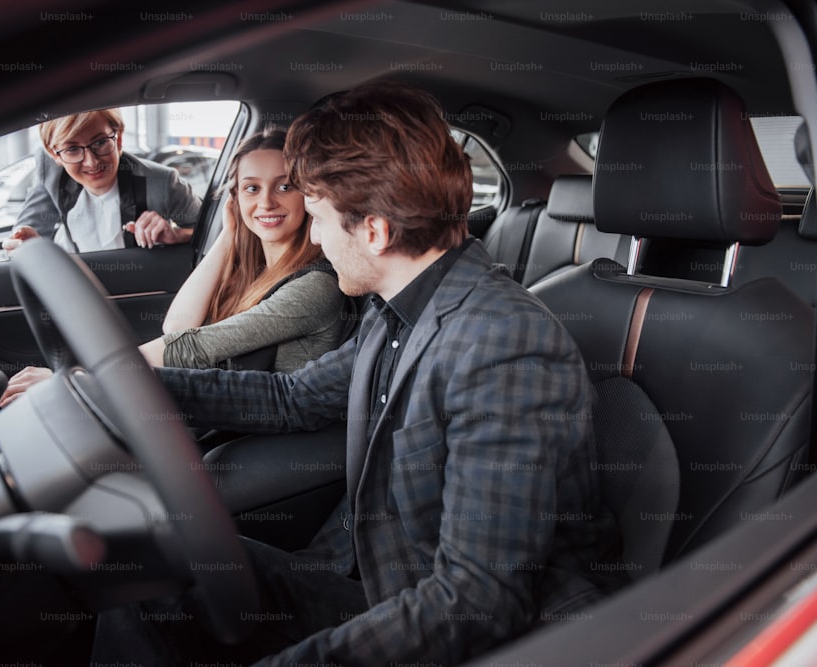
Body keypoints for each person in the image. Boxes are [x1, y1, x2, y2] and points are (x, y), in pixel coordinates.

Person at [91, 82, 625, 666]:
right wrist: (118, 390)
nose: (312, 236)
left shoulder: (505, 346)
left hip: (458, 623)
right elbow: (293, 400)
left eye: (317, 216)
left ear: (373, 230)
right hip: (372, 576)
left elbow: (476, 601)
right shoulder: (397, 308)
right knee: (147, 563)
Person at [0, 127, 347, 406]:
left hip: (257, 443)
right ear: (235, 198)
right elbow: (177, 326)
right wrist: (229, 234)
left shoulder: (314, 287)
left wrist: (77, 377)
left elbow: (188, 349)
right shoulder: (251, 272)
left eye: (285, 186)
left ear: (308, 194)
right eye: (251, 188)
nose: (266, 201)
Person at [1, 108, 200, 254]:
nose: (92, 162)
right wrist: (29, 247)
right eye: (72, 149)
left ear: (119, 139)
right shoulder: (52, 175)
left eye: (100, 142)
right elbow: (24, 239)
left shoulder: (162, 182)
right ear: (55, 155)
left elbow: (214, 235)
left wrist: (176, 235)